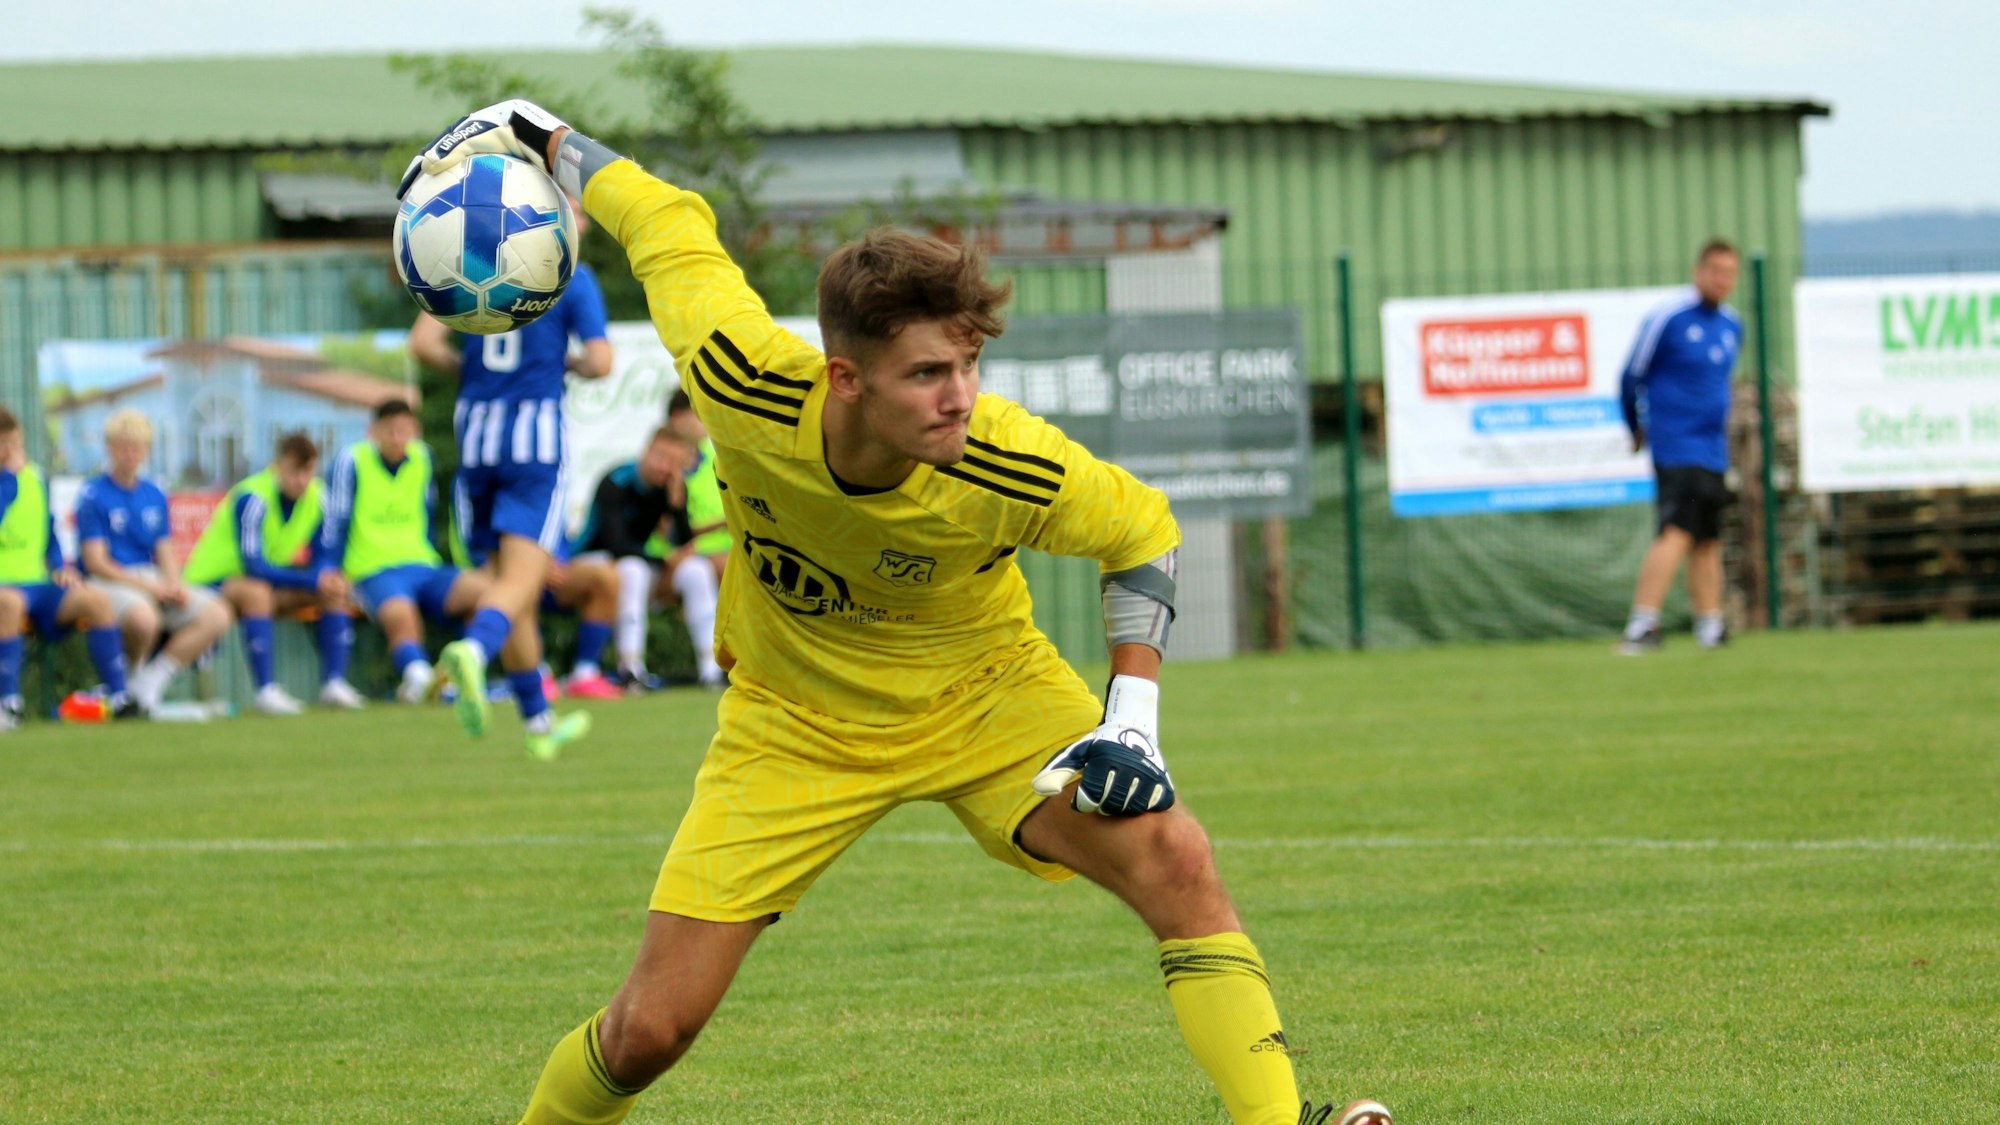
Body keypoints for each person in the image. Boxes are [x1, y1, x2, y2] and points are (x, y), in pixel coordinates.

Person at [398, 102, 1389, 1125]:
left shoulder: (1009, 458)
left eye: (966, 366)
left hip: (983, 692)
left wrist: (1129, 721)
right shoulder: (740, 381)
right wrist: (545, 137)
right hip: (793, 722)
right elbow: (664, 221)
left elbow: (1141, 532)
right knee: (650, 1031)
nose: (958, 397)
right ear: (844, 377)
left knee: (1175, 857)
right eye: (926, 373)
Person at [406, 203, 610, 754]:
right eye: (579, 215)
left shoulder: (472, 260)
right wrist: (562, 365)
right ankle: (473, 651)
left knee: (502, 581)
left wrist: (468, 369)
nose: (585, 225)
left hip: (476, 435)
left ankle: (538, 725)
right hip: (534, 440)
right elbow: (602, 361)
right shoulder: (570, 275)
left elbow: (423, 343)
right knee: (526, 577)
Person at [322, 400, 493, 706]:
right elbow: (336, 520)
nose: (398, 438)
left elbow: (427, 514)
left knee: (489, 593)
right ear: (373, 432)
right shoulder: (351, 461)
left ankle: (458, 677)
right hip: (372, 568)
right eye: (391, 431)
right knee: (401, 614)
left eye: (405, 431)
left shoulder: (422, 457)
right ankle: (421, 680)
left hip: (423, 565)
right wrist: (331, 569)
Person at [1618, 238, 1744, 654]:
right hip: (1676, 444)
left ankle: (1710, 625)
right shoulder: (1669, 317)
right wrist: (1636, 425)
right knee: (1675, 531)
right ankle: (1642, 625)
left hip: (1713, 450)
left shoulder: (1731, 325)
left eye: (1729, 273)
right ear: (1699, 271)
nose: (1722, 280)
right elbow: (1631, 375)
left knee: (1707, 538)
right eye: (1715, 271)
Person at [182, 432, 364, 715]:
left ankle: (334, 684)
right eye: (294, 472)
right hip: (213, 583)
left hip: (268, 583)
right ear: (276, 466)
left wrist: (326, 577)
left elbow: (325, 554)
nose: (301, 480)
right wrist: (312, 578)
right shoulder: (253, 497)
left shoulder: (319, 498)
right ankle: (266, 691)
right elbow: (253, 565)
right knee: (258, 592)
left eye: (307, 472)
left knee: (334, 589)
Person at [75, 410, 235, 712]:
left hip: (150, 578)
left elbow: (165, 551)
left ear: (147, 450)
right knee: (144, 618)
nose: (130, 454)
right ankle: (129, 684)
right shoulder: (93, 494)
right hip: (111, 580)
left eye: (137, 447)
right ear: (109, 448)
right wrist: (149, 587)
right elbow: (95, 562)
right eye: (123, 446)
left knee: (218, 613)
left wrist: (174, 585)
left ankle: (151, 681)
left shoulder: (154, 494)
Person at [0, 406, 140, 727]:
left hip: (38, 585)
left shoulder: (34, 476)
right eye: (4, 444)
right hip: (5, 589)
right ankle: (8, 702)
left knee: (96, 599)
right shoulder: (11, 479)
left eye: (16, 442)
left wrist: (60, 565)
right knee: (7, 603)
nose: (12, 452)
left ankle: (118, 697)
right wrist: (8, 477)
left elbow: (47, 529)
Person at [569, 425, 722, 689]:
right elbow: (616, 545)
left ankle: (711, 669)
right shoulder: (617, 481)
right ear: (646, 451)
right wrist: (664, 562)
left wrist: (676, 506)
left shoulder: (671, 487)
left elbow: (683, 541)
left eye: (674, 463)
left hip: (638, 564)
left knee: (696, 569)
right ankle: (631, 669)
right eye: (661, 458)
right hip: (593, 562)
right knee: (634, 569)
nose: (665, 468)